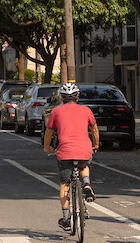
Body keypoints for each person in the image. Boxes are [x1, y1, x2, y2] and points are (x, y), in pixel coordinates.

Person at [43, 82, 100, 231]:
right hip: (84, 150)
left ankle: (66, 218)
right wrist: (95, 144)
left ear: (62, 97)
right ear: (77, 97)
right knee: (84, 165)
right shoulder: (86, 110)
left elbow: (49, 132)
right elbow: (94, 129)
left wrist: (46, 147)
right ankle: (86, 184)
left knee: (65, 184)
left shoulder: (56, 111)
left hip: (65, 151)